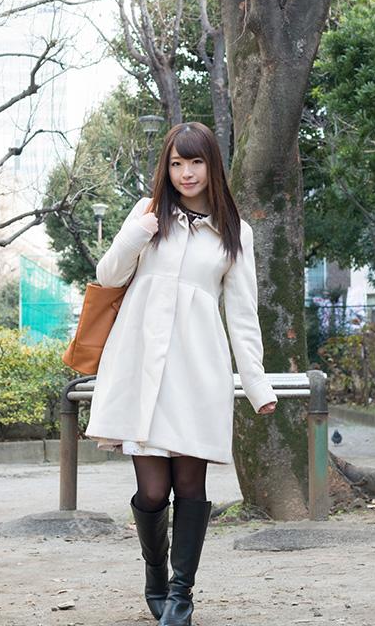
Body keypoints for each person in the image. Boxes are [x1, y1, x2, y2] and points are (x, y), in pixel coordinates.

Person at [84, 121, 278, 626]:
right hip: (140, 365)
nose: (186, 173)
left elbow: (243, 314)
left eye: (195, 162)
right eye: (176, 163)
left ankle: (180, 594)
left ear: (212, 166)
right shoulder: (147, 214)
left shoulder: (235, 232)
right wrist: (137, 233)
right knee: (153, 492)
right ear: (165, 168)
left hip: (197, 369)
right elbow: (108, 275)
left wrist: (256, 382)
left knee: (191, 487)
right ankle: (155, 574)